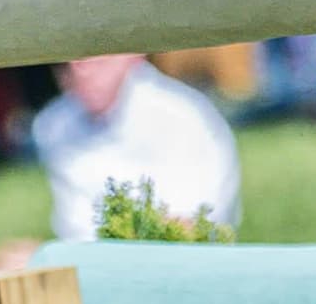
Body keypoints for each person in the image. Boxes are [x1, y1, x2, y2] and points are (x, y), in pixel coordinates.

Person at [32, 52, 242, 242]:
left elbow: (189, 228)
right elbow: (75, 227)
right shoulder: (53, 126)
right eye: (67, 59)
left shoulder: (182, 116)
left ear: (133, 54)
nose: (80, 68)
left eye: (93, 54)